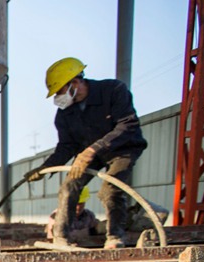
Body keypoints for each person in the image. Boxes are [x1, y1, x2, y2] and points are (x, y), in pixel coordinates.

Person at [25, 57, 148, 249]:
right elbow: (66, 145)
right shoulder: (65, 114)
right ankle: (61, 238)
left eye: (59, 90)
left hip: (123, 148)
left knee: (110, 190)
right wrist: (44, 167)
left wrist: (91, 150)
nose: (58, 96)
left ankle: (115, 237)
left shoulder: (113, 90)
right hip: (91, 154)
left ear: (75, 82)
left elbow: (127, 125)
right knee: (69, 186)